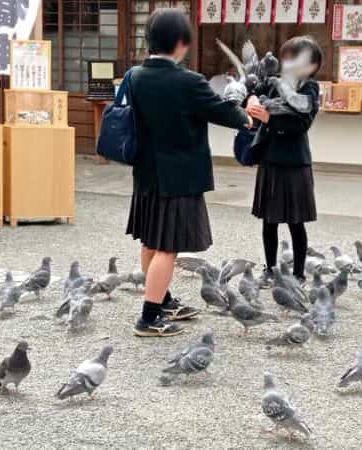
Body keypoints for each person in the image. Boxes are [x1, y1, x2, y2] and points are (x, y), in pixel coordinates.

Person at [127, 9, 253, 337]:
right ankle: (149, 317)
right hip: (179, 176)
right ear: (182, 43)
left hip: (147, 172)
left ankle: (163, 299)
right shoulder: (188, 81)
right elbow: (222, 112)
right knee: (167, 247)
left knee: (151, 241)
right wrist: (245, 115)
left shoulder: (135, 76)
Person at [246, 36, 322, 287]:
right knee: (270, 220)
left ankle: (299, 273)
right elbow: (255, 93)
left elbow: (302, 125)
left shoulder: (309, 89)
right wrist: (252, 100)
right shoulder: (274, 82)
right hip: (270, 159)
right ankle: (269, 269)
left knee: (295, 222)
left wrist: (269, 119)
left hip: (294, 162)